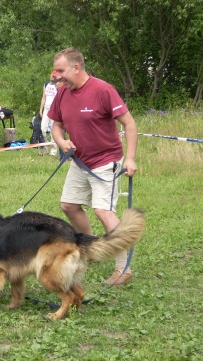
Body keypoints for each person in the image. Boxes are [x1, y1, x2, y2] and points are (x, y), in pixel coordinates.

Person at [49, 47, 138, 286]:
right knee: (68, 205)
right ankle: (92, 249)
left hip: (105, 162)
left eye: (61, 70)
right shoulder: (62, 94)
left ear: (76, 68)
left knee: (103, 211)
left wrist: (129, 159)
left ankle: (124, 268)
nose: (57, 75)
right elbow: (56, 126)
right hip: (79, 162)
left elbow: (129, 124)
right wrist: (61, 141)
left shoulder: (103, 90)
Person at [39, 71, 59, 156]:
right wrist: (41, 110)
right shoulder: (46, 85)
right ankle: (45, 147)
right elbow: (44, 97)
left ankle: (53, 151)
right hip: (46, 108)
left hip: (54, 109)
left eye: (55, 77)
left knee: (53, 130)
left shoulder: (57, 86)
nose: (53, 78)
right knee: (43, 128)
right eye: (52, 76)